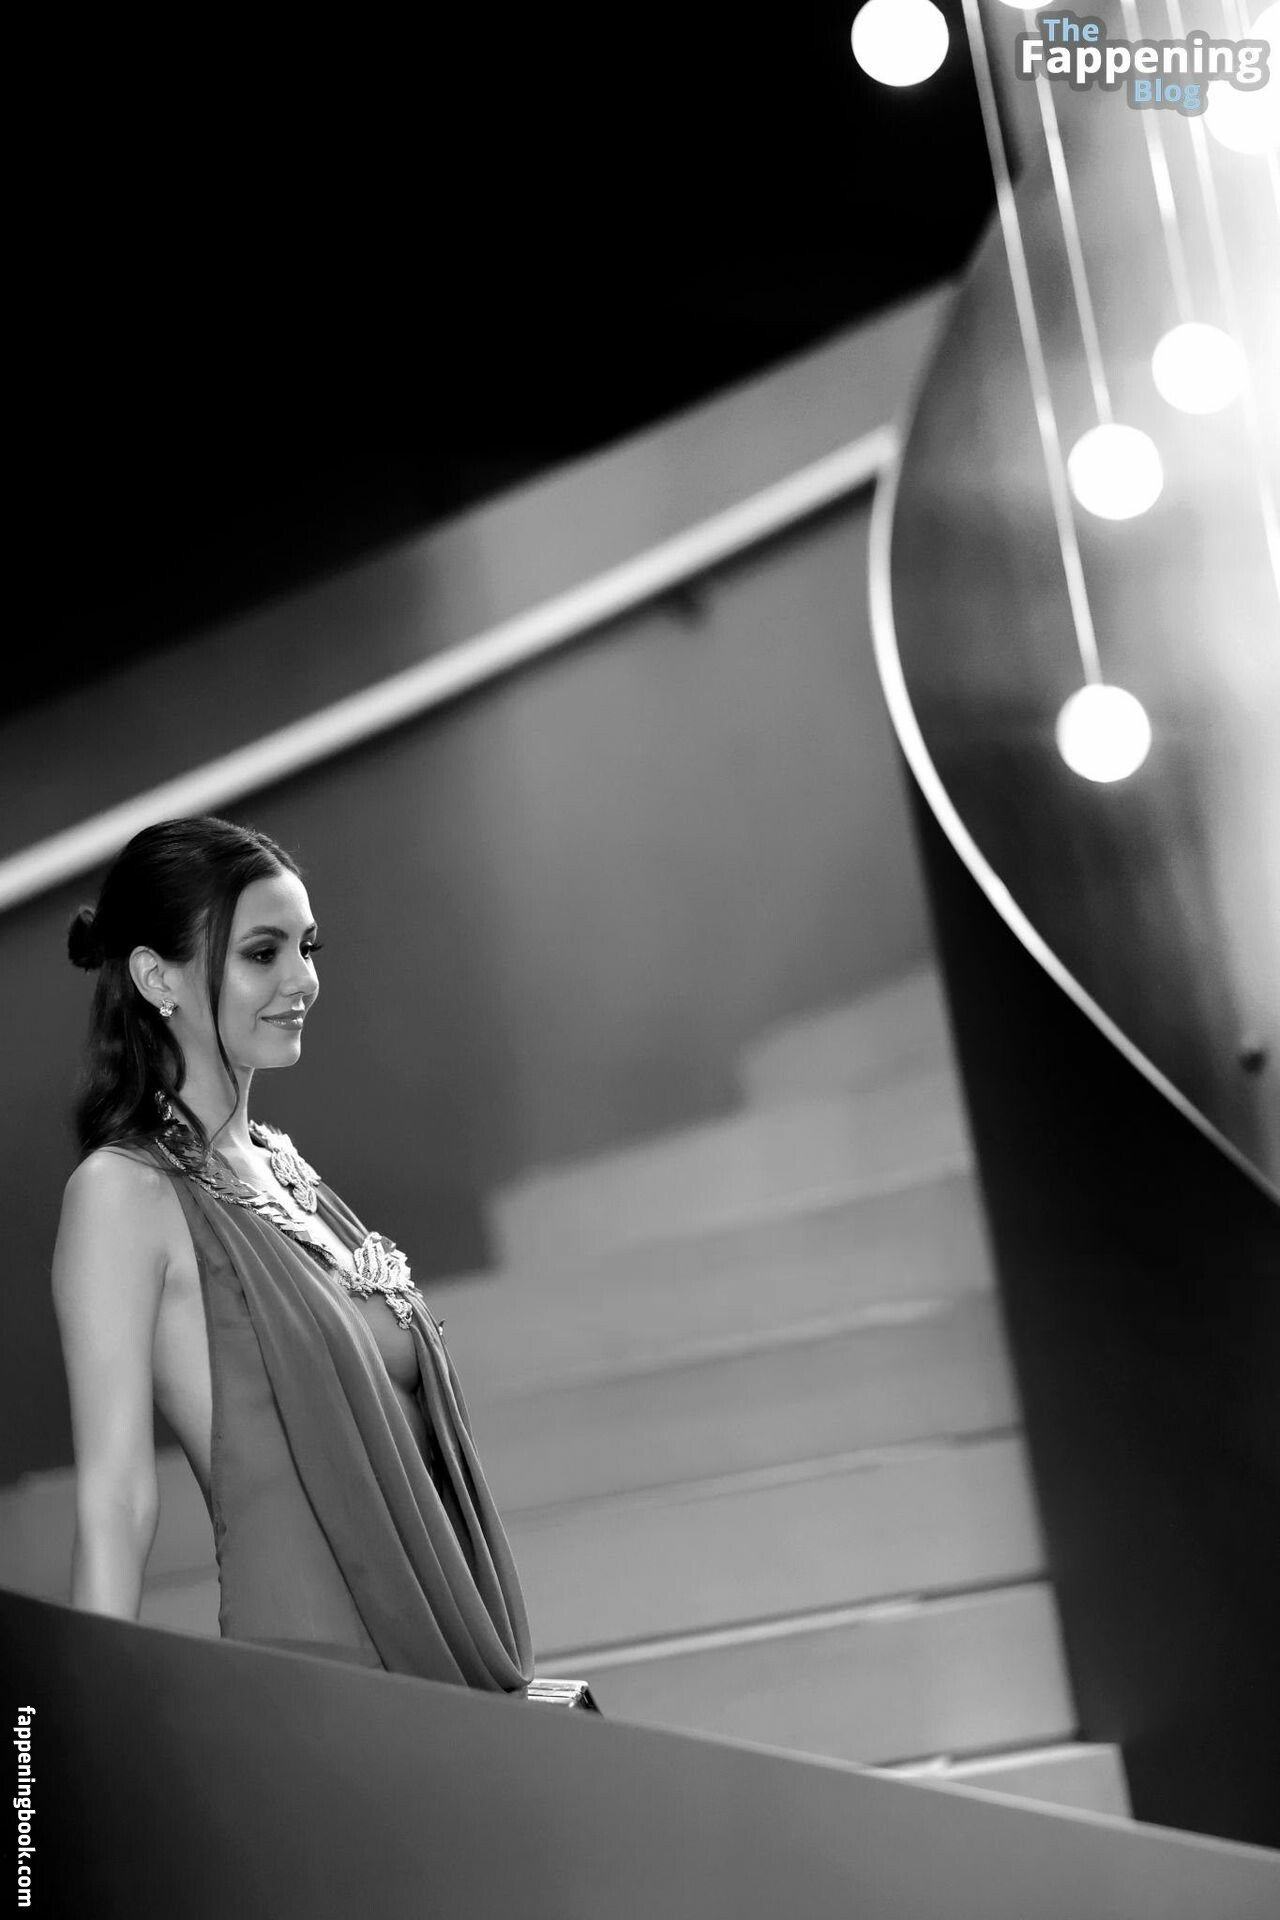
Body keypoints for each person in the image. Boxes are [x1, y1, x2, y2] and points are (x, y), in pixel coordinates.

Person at [51, 813, 537, 1691]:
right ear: (156, 977)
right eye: (262, 953)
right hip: (317, 1684)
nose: (302, 979)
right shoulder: (122, 1194)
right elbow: (115, 1501)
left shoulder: (283, 1165)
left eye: (307, 947)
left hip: (451, 1665)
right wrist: (60, 1748)